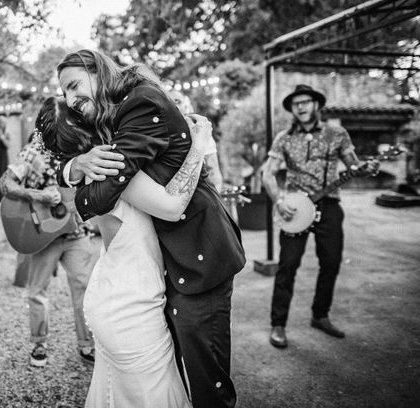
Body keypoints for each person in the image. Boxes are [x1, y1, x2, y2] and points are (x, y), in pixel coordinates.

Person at [55, 49, 246, 408]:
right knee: (175, 370)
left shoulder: (140, 103)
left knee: (208, 383)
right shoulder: (114, 118)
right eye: (64, 93)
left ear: (97, 71)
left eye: (74, 85)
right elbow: (82, 163)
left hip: (198, 257)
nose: (70, 99)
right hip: (165, 267)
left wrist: (79, 186)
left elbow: (99, 195)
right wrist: (74, 166)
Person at [40, 96, 215, 407]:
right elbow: (173, 207)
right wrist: (200, 144)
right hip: (131, 309)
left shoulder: (91, 172)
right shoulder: (112, 169)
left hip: (117, 296)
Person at [262, 84, 379, 349]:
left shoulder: (337, 133)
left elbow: (354, 166)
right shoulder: (284, 138)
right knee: (288, 265)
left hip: (329, 205)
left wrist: (368, 168)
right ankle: (278, 324)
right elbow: (268, 173)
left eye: (306, 102)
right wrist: (279, 201)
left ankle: (320, 315)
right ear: (292, 109)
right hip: (295, 206)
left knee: (331, 262)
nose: (301, 106)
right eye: (296, 103)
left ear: (316, 105)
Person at [0, 109, 98, 369]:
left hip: (77, 233)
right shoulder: (33, 151)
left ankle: (88, 345)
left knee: (85, 291)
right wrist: (37, 196)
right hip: (43, 235)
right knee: (37, 291)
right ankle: (39, 343)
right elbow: (3, 184)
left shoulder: (82, 148)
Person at [167, 90, 224, 192]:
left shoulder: (201, 133)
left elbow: (214, 173)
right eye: (169, 102)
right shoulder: (158, 135)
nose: (175, 106)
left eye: (178, 101)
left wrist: (214, 201)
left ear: (186, 106)